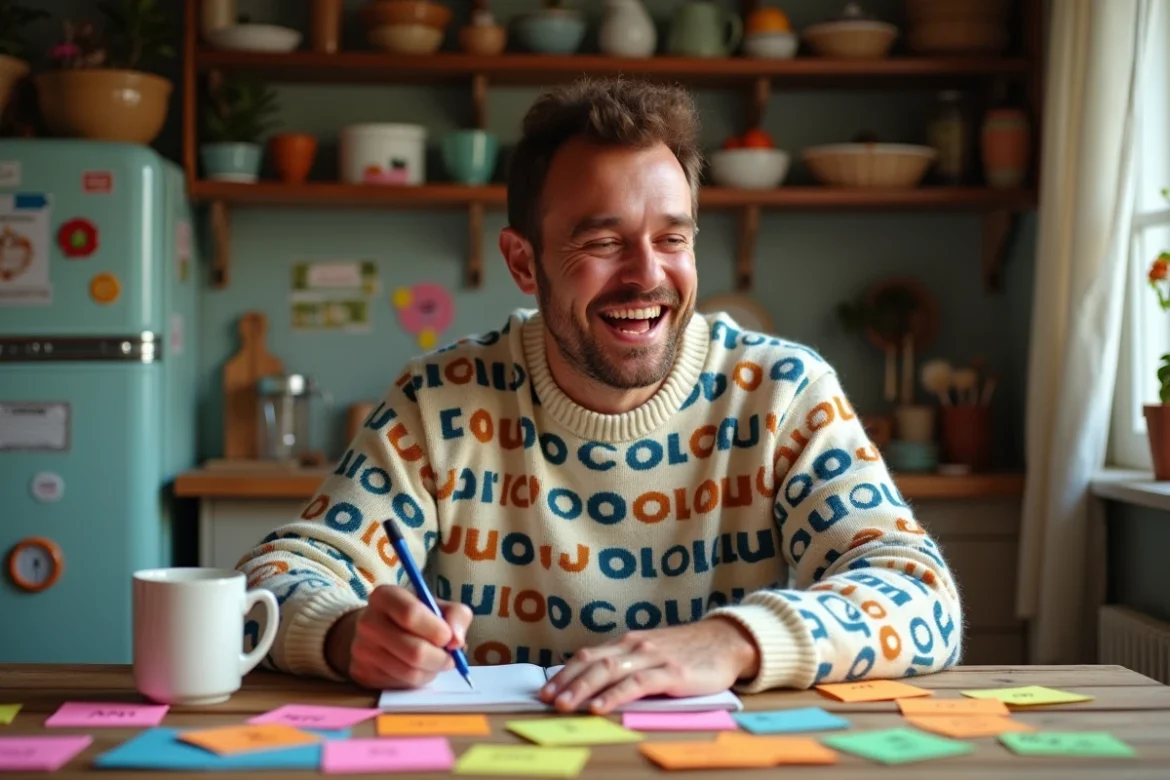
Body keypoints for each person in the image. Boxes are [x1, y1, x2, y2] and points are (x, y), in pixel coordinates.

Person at [236, 77, 963, 714]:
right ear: (524, 262)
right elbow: (269, 580)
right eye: (604, 243)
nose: (647, 276)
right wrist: (345, 634)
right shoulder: (440, 403)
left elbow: (922, 597)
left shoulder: (781, 393)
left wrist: (734, 640)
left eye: (672, 239)